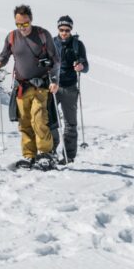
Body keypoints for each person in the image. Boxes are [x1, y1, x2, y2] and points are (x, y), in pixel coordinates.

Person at [0, 5, 58, 169]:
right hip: (21, 86)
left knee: (39, 118)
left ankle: (46, 154)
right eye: (18, 24)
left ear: (31, 20)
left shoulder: (43, 35)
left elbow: (56, 60)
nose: (22, 28)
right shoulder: (12, 37)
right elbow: (5, 55)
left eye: (25, 24)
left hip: (41, 85)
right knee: (24, 122)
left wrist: (55, 80)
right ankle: (29, 156)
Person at [53, 15, 90, 164]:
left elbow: (85, 65)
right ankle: (50, 152)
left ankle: (69, 156)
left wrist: (81, 66)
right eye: (61, 29)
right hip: (53, 87)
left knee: (70, 123)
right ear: (58, 29)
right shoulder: (51, 43)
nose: (64, 32)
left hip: (70, 87)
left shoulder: (77, 45)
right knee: (50, 121)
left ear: (71, 30)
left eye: (67, 30)